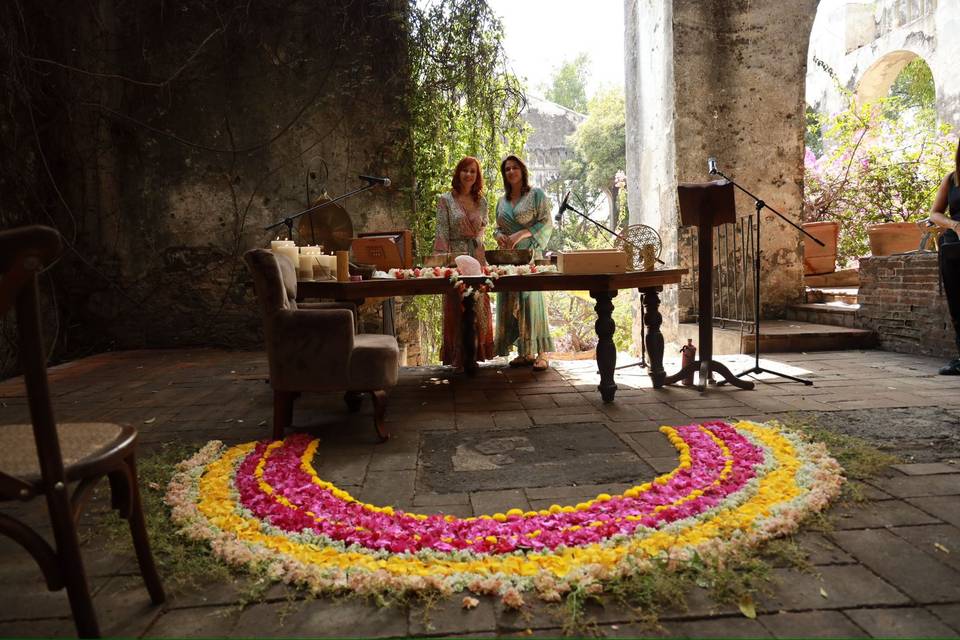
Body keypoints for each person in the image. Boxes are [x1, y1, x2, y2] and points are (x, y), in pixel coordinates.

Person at [433, 156, 495, 372]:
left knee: (477, 304)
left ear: (477, 177)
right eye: (465, 170)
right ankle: (459, 356)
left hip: (476, 257)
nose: (469, 175)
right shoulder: (445, 200)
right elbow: (441, 234)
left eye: (473, 172)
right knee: (456, 305)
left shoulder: (483, 202)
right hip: (455, 258)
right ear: (458, 173)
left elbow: (483, 229)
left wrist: (481, 254)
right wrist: (444, 264)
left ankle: (476, 354)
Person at [493, 155, 554, 371]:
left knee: (531, 301)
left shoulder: (536, 194)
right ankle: (524, 352)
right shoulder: (501, 200)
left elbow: (547, 222)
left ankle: (542, 353)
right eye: (507, 169)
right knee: (510, 301)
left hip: (529, 257)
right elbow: (497, 226)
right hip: (507, 259)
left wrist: (521, 234)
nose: (511, 171)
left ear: (522, 170)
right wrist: (498, 235)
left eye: (515, 167)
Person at [928, 139, 960, 375]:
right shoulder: (952, 179)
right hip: (955, 245)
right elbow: (935, 213)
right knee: (957, 302)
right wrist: (954, 225)